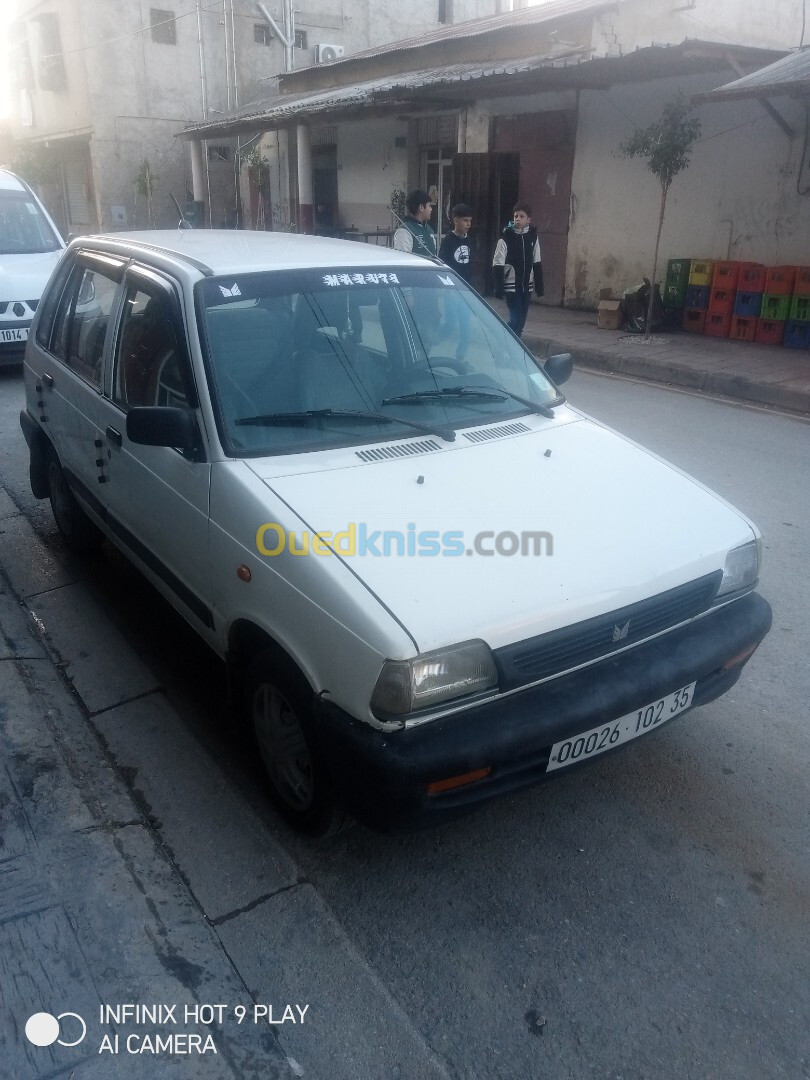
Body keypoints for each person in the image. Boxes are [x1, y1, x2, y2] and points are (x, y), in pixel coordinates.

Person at [492, 201, 543, 338]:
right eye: (516, 216)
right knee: (515, 319)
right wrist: (499, 287)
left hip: (527, 285)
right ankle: (501, 336)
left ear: (528, 220)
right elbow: (498, 263)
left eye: (522, 216)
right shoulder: (506, 237)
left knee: (521, 321)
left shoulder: (532, 237)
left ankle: (515, 346)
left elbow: (536, 261)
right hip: (511, 285)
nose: (518, 219)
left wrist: (540, 286)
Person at [393, 189, 436, 258]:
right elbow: (402, 259)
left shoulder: (429, 229)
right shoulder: (405, 231)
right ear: (421, 207)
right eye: (429, 206)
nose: (431, 209)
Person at [438, 203, 474, 285]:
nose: (468, 224)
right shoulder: (448, 240)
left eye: (470, 220)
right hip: (451, 283)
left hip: (466, 283)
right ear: (456, 221)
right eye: (465, 220)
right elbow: (443, 262)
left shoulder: (469, 240)